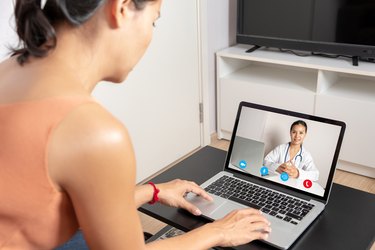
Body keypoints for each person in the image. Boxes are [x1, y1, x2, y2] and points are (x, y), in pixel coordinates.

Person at [0, 0, 271, 249]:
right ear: (123, 8)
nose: (151, 35)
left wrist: (151, 191)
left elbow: (47, 203)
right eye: (153, 21)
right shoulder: (93, 132)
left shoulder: (10, 68)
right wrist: (218, 232)